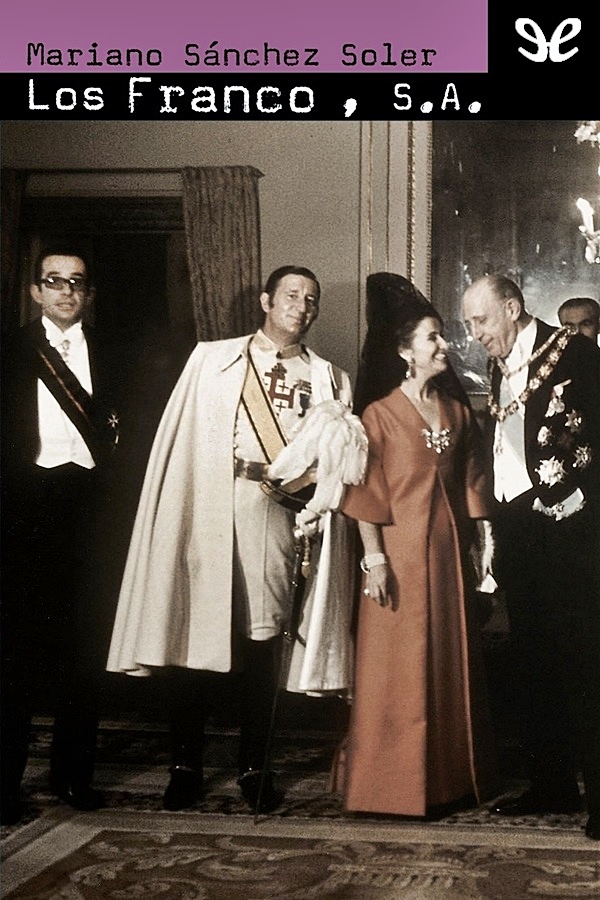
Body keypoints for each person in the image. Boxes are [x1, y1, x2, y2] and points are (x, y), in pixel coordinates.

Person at [107, 265, 360, 814]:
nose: (301, 306)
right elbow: (183, 441)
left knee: (263, 645)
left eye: (311, 299)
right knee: (194, 640)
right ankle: (185, 767)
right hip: (212, 508)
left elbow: (336, 461)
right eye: (291, 294)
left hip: (278, 516)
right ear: (266, 301)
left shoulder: (331, 378)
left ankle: (254, 766)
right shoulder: (213, 360)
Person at [334, 272, 499, 817]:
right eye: (433, 337)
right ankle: (387, 787)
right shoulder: (378, 415)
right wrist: (374, 560)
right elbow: (366, 494)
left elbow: (474, 480)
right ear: (406, 351)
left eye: (442, 335)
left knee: (447, 663)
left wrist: (483, 540)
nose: (444, 344)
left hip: (448, 558)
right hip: (396, 560)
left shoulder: (457, 412)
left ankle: (448, 783)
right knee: (396, 668)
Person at [462, 274, 600, 841]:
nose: (475, 334)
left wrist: (582, 496)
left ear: (513, 308)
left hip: (571, 530)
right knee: (533, 661)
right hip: (518, 527)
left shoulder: (576, 352)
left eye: (481, 320)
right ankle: (551, 785)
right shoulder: (500, 364)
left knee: (584, 662)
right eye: (469, 324)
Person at [1, 246, 121, 826]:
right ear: (35, 291)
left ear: (89, 293)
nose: (66, 291)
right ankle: (3, 784)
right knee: (14, 654)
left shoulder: (116, 351)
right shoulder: (10, 350)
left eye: (77, 282)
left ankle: (73, 776)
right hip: (23, 510)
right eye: (54, 281)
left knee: (84, 650)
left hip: (93, 511)